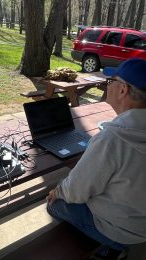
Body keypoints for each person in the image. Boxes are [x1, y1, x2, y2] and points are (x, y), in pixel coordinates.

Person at [46, 58, 146, 259]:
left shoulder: (112, 139)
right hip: (142, 225)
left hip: (118, 230)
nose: (107, 86)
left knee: (54, 203)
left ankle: (106, 248)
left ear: (122, 90)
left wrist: (57, 191)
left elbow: (76, 191)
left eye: (110, 82)